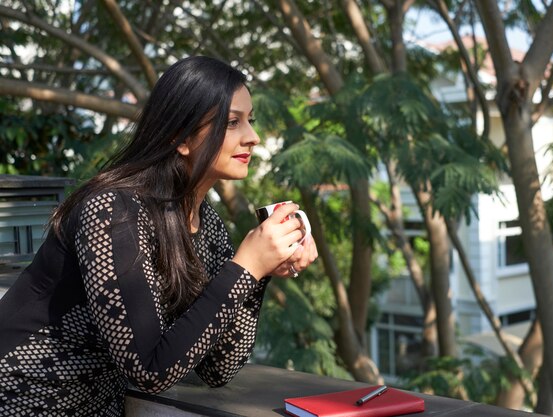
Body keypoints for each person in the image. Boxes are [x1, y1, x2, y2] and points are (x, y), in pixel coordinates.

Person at [0, 56, 318, 416]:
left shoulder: (206, 225)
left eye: (250, 120)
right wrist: (246, 266)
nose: (253, 137)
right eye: (232, 123)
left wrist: (258, 272)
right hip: (20, 399)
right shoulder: (113, 212)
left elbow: (218, 369)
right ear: (181, 139)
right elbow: (150, 370)